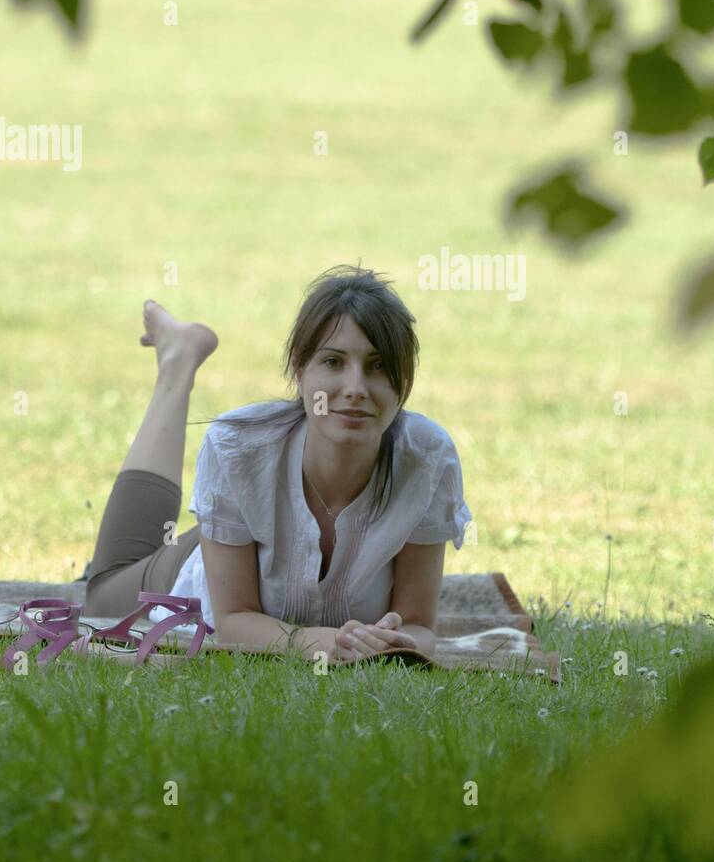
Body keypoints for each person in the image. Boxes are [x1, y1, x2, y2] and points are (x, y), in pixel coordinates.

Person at [80, 265, 472, 665]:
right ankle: (178, 362)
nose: (355, 389)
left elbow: (420, 629)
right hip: (213, 559)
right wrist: (323, 643)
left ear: (403, 382)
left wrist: (392, 645)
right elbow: (233, 620)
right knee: (101, 596)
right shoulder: (238, 447)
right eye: (334, 362)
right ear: (300, 372)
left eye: (378, 366)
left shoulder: (427, 460)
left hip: (254, 539)